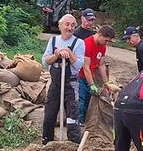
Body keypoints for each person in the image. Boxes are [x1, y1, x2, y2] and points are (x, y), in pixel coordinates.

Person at [41, 13, 86, 143]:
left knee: (72, 118)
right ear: (60, 26)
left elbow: (78, 64)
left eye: (72, 25)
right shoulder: (53, 40)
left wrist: (69, 53)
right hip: (55, 84)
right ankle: (46, 142)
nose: (70, 28)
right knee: (49, 116)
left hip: (71, 86)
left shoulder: (79, 43)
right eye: (67, 24)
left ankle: (73, 144)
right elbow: (45, 61)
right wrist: (57, 55)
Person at [78, 25, 116, 123]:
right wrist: (91, 84)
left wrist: (106, 83)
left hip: (91, 75)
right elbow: (85, 67)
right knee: (81, 99)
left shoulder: (102, 47)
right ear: (99, 35)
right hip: (80, 76)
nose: (106, 43)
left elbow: (101, 65)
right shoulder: (87, 44)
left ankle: (87, 120)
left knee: (89, 99)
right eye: (106, 40)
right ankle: (79, 122)